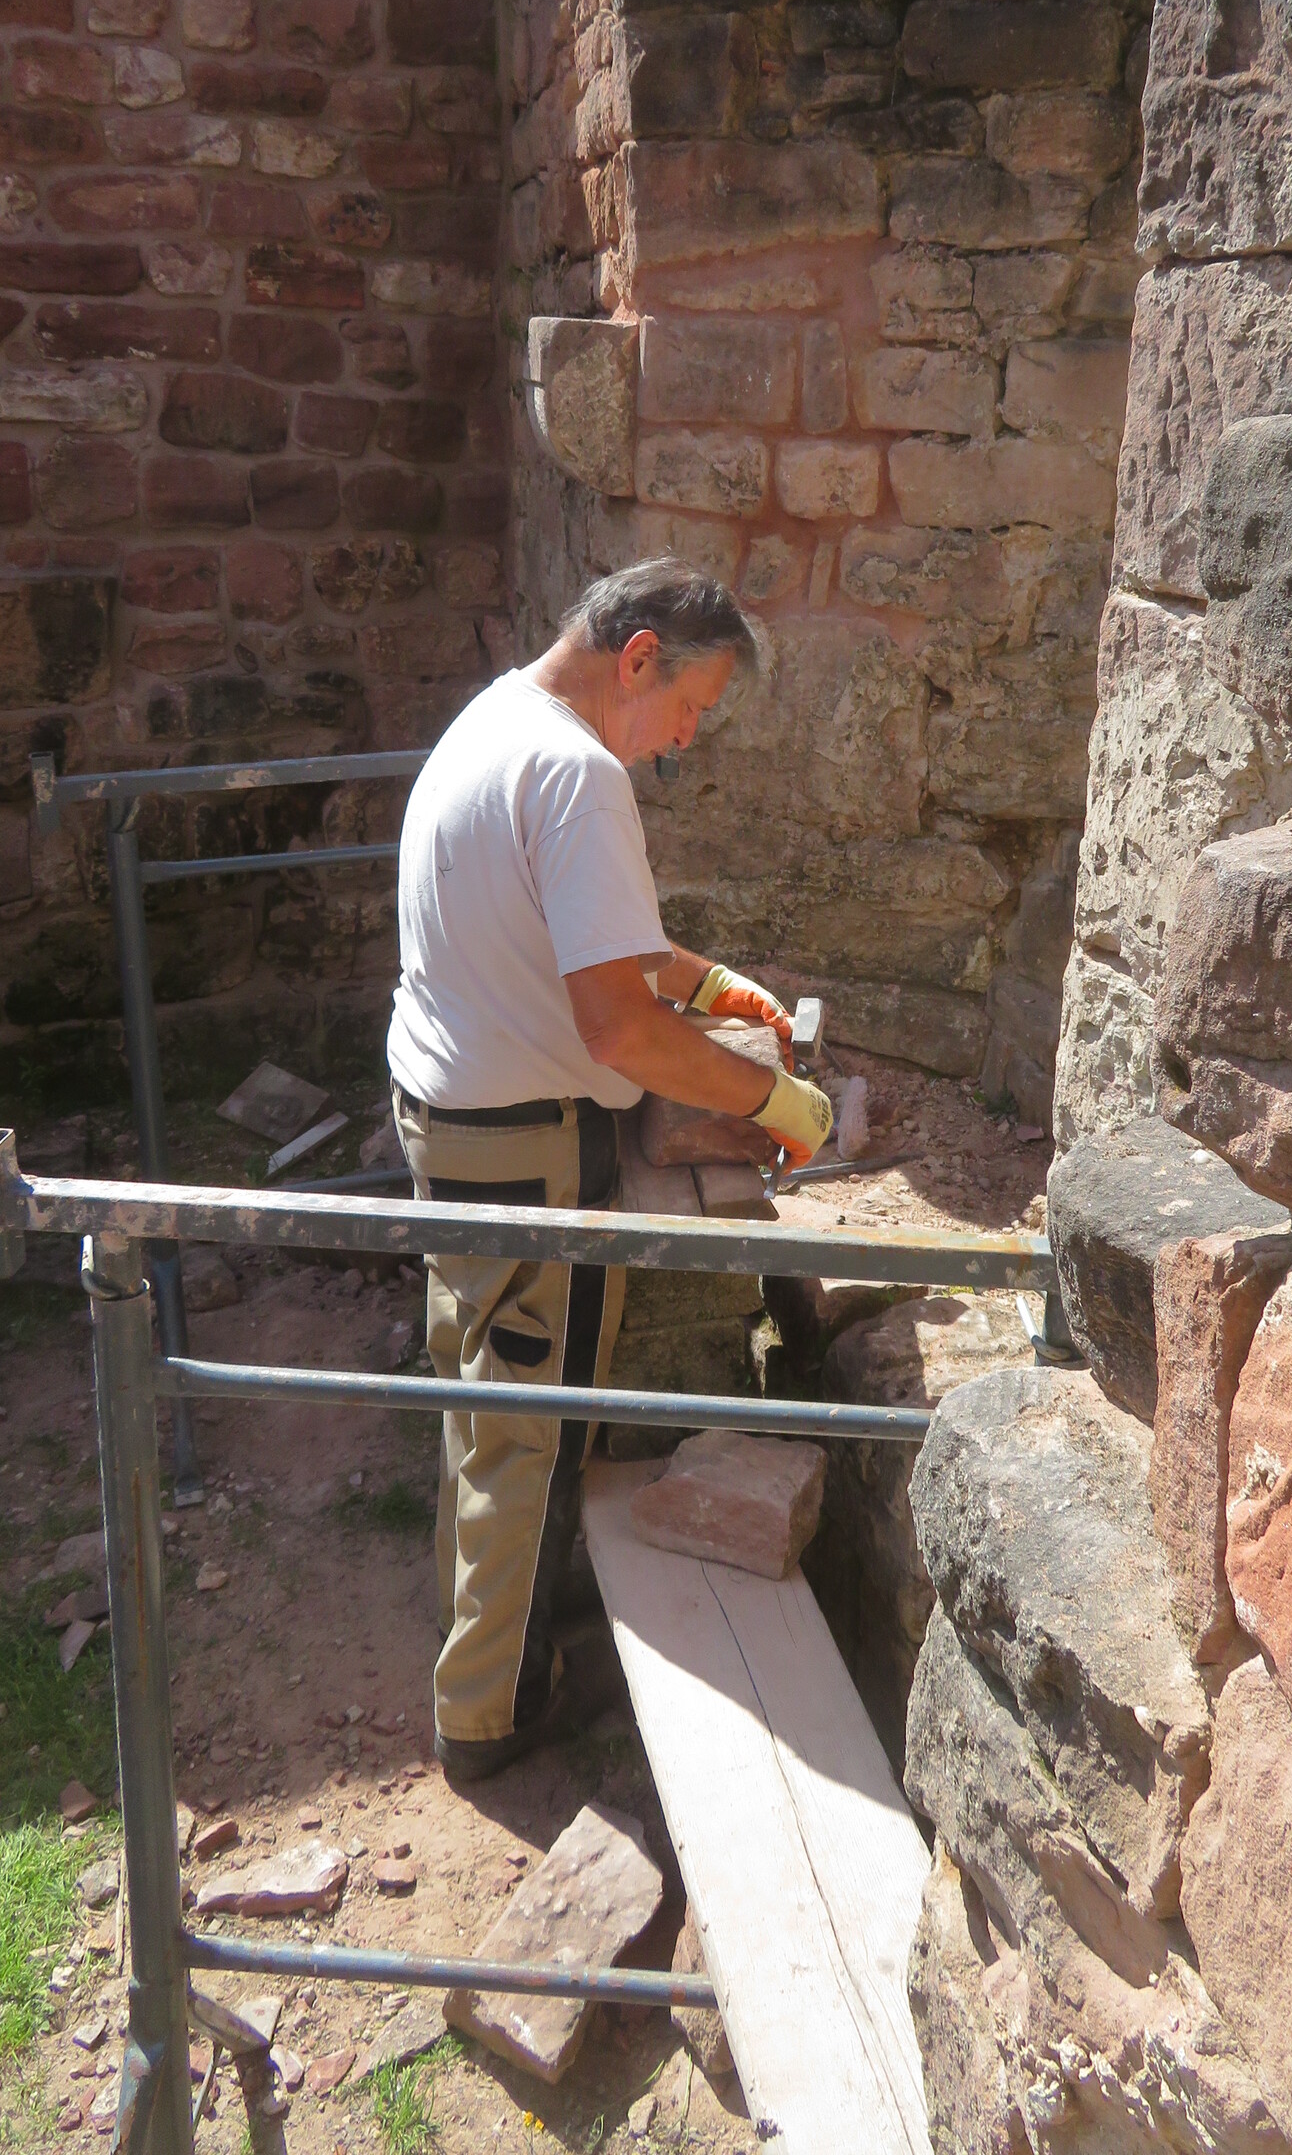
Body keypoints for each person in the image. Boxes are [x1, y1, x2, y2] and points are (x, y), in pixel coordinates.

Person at [387, 558, 835, 1787]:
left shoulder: (499, 722)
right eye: (689, 707)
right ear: (637, 659)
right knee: (531, 1437)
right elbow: (618, 1032)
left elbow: (584, 934)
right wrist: (772, 1098)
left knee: (482, 1406)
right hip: (526, 1152)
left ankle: (476, 1636)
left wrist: (703, 980)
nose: (686, 739)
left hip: (452, 1129)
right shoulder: (581, 774)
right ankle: (493, 1713)